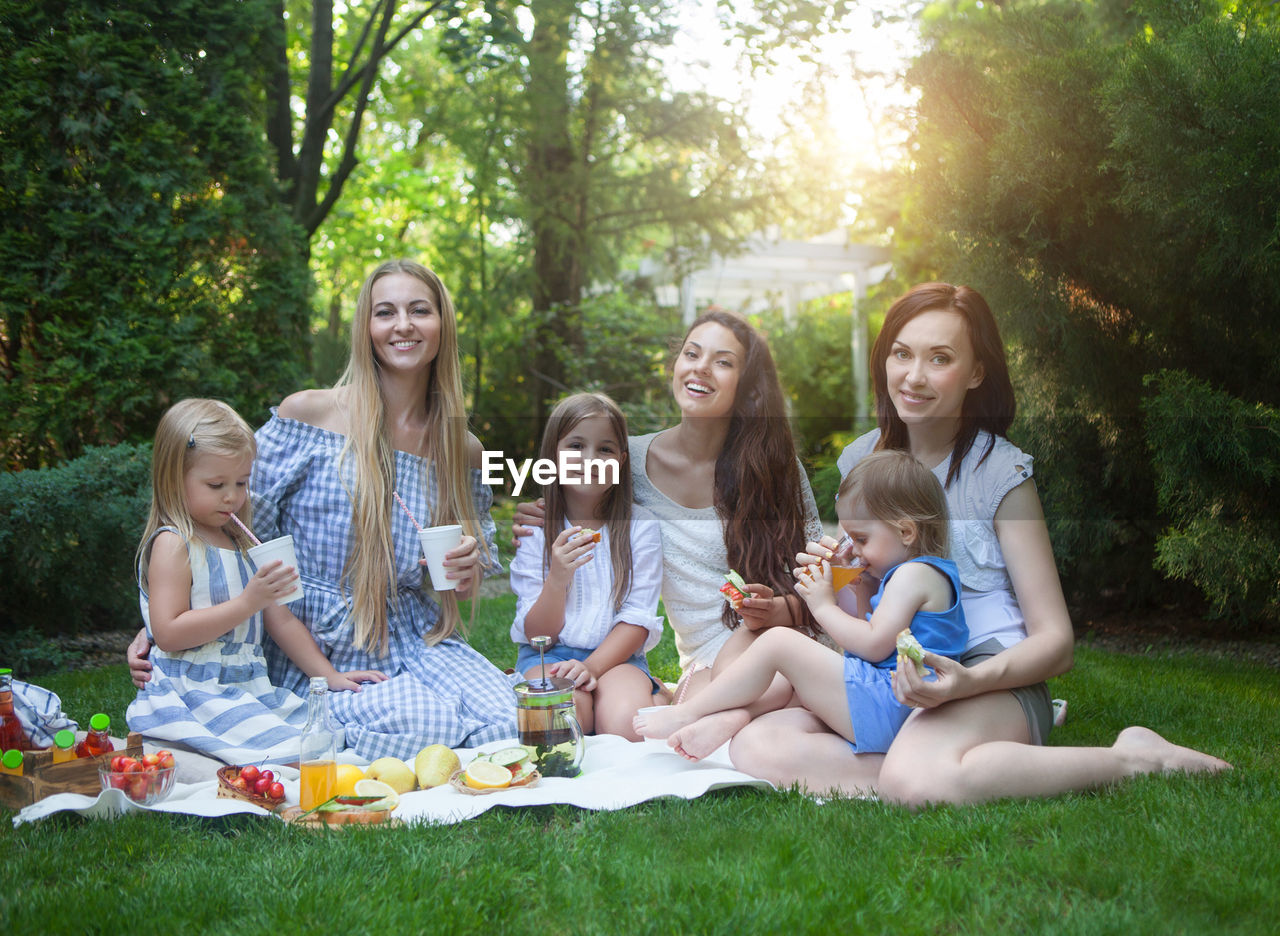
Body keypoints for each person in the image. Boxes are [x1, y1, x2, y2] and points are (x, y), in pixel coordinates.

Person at [727, 282, 1231, 803]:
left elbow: (1056, 642)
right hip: (892, 675)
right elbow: (864, 595)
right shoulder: (862, 461)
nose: (913, 376)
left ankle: (1133, 758)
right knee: (761, 745)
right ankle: (949, 760)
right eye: (901, 354)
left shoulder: (1001, 474)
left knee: (917, 782)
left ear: (975, 372)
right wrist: (834, 574)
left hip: (988, 674)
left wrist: (968, 684)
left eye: (939, 358)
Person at [130, 260, 519, 761]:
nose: (403, 324)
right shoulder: (309, 416)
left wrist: (463, 572)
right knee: (427, 722)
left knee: (511, 720)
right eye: (386, 312)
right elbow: (224, 522)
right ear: (367, 328)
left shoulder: (459, 447)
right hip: (314, 636)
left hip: (412, 631)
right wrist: (158, 625)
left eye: (419, 310)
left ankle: (400, 727)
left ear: (442, 324)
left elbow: (458, 583)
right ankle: (314, 724)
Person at [515, 311, 825, 734]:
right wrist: (543, 512)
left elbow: (826, 585)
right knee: (752, 710)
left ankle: (697, 707)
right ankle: (687, 704)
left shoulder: (775, 468)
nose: (700, 366)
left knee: (777, 698)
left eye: (723, 361)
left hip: (777, 640)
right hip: (707, 661)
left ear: (747, 386)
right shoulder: (629, 462)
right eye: (691, 353)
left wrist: (775, 609)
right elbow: (577, 482)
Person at [635, 449, 967, 758]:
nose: (853, 549)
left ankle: (686, 713)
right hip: (887, 704)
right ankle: (735, 717)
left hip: (894, 704)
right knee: (782, 689)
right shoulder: (912, 574)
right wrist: (859, 582)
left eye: (862, 539)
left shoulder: (914, 575)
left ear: (906, 532)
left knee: (780, 643)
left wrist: (823, 605)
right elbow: (874, 632)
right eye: (849, 538)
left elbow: (873, 645)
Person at [125, 399, 386, 764]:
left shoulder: (241, 542)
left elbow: (280, 620)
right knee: (292, 755)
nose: (232, 495)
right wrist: (248, 602)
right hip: (194, 692)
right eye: (216, 484)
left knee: (323, 738)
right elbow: (168, 633)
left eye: (242, 482)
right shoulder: (174, 544)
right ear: (173, 477)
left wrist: (329, 677)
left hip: (247, 687)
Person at [510, 392, 664, 740]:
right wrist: (558, 578)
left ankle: (643, 696)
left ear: (621, 461)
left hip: (618, 658)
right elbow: (538, 636)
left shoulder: (640, 526)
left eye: (605, 449)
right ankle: (634, 701)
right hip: (548, 657)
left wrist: (591, 667)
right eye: (576, 445)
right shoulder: (536, 531)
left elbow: (638, 619)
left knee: (627, 727)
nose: (590, 459)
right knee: (556, 725)